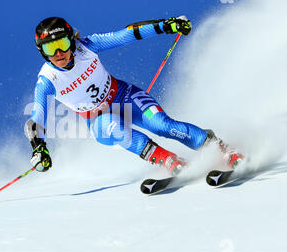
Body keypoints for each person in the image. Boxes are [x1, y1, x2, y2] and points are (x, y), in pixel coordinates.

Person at [25, 16, 243, 175]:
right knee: (115, 128)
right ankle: (166, 160)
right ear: (42, 52)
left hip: (124, 95)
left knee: (162, 126)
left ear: (72, 41)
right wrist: (39, 147)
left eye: (62, 44)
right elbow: (37, 117)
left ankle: (220, 149)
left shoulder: (87, 47)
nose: (58, 54)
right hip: (98, 119)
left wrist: (166, 26)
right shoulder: (47, 80)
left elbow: (127, 34)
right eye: (50, 49)